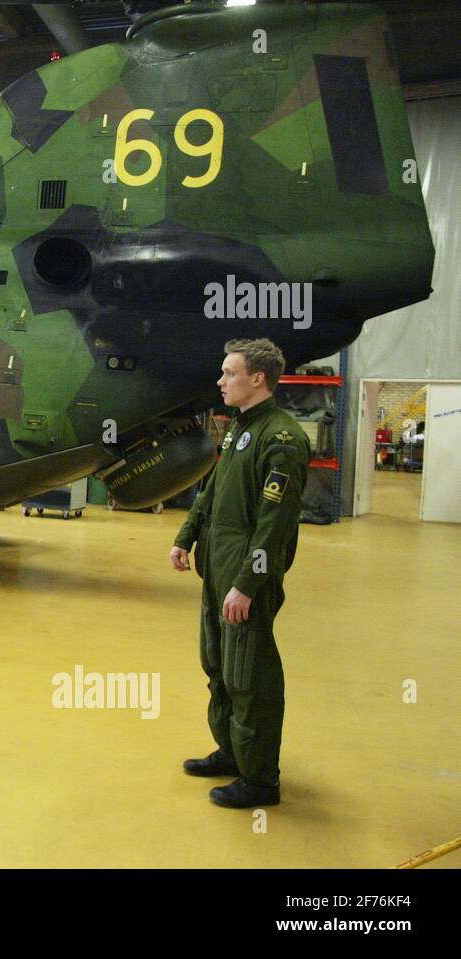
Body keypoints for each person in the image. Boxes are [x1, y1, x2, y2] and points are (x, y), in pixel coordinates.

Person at [169, 339, 310, 808]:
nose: (220, 381)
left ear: (258, 379)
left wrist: (248, 585)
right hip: (217, 573)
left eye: (229, 373)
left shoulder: (282, 440)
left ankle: (260, 780)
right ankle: (231, 752)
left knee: (250, 678)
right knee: (219, 669)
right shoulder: (237, 431)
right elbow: (211, 492)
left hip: (244, 581)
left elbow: (275, 525)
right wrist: (186, 535)